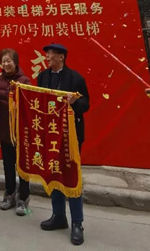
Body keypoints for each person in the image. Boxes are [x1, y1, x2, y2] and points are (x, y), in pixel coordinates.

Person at [37, 43, 90, 247]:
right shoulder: (43, 76)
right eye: (47, 53)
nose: (48, 57)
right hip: (50, 134)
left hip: (71, 136)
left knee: (71, 176)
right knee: (54, 173)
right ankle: (58, 216)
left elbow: (86, 104)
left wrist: (74, 102)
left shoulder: (75, 78)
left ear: (61, 57)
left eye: (51, 54)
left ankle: (77, 223)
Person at [0, 48, 31, 214]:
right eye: (3, 61)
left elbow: (30, 104)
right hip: (4, 129)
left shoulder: (24, 81)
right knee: (8, 164)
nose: (6, 64)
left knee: (22, 167)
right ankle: (9, 194)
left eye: (9, 61)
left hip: (21, 131)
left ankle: (23, 198)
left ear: (16, 63)